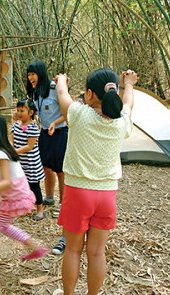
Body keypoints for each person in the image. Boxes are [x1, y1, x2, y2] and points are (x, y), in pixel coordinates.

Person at [52, 68, 138, 295]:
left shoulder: (79, 114)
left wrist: (61, 80)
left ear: (89, 93)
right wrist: (128, 84)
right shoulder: (121, 123)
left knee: (72, 250)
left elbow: (62, 94)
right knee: (97, 253)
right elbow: (128, 104)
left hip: (78, 192)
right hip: (107, 195)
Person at [0, 113, 48, 289]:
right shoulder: (5, 149)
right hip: (19, 196)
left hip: (14, 199)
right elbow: (4, 177)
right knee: (3, 226)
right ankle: (34, 246)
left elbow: (6, 182)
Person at [26, 60, 67, 255]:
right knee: (46, 167)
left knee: (60, 170)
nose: (31, 78)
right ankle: (49, 197)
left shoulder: (54, 88)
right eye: (28, 75)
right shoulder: (35, 92)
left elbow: (68, 111)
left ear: (41, 73)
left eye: (33, 74)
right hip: (44, 132)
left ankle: (63, 204)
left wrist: (55, 123)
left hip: (59, 132)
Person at [11, 99, 46, 221]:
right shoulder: (16, 125)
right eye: (18, 110)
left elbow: (29, 146)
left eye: (22, 110)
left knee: (34, 186)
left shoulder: (33, 128)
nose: (19, 113)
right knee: (22, 186)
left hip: (31, 164)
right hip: (20, 163)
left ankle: (40, 209)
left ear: (30, 112)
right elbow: (12, 139)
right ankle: (26, 206)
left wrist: (14, 151)